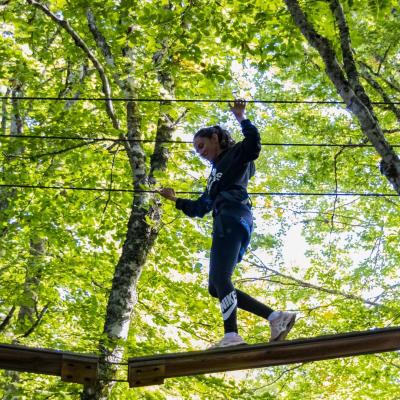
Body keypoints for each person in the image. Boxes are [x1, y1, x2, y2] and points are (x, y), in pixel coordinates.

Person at [158, 99, 296, 348]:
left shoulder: (235, 155)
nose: (200, 152)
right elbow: (201, 206)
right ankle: (276, 317)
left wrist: (241, 117)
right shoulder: (215, 175)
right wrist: (175, 200)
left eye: (201, 145)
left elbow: (253, 145)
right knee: (216, 286)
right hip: (230, 219)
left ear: (215, 138)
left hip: (232, 216)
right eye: (196, 150)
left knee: (221, 278)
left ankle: (232, 335)